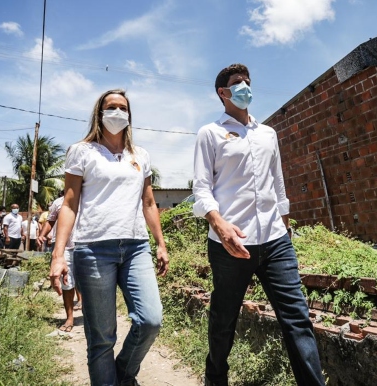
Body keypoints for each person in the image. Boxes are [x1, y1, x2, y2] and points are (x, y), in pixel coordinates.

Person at [192, 64, 325, 386]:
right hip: (230, 243)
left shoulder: (268, 134)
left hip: (275, 240)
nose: (245, 87)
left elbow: (278, 184)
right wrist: (220, 225)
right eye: (237, 83)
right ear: (223, 93)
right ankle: (216, 379)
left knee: (297, 319)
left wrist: (286, 227)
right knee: (224, 319)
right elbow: (201, 188)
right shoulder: (210, 133)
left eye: (248, 82)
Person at [49, 88, 169, 386]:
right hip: (92, 250)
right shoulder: (82, 151)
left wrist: (161, 244)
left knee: (151, 320)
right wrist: (57, 254)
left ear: (129, 115)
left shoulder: (140, 155)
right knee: (102, 338)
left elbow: (149, 203)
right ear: (99, 113)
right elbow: (69, 203)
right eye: (111, 107)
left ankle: (123, 374)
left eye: (123, 108)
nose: (117, 112)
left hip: (136, 247)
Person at [38, 191, 82, 332]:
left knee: (86, 282)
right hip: (64, 247)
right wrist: (42, 235)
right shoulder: (58, 203)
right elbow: (50, 221)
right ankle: (69, 317)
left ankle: (89, 315)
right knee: (67, 283)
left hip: (85, 245)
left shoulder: (88, 199)